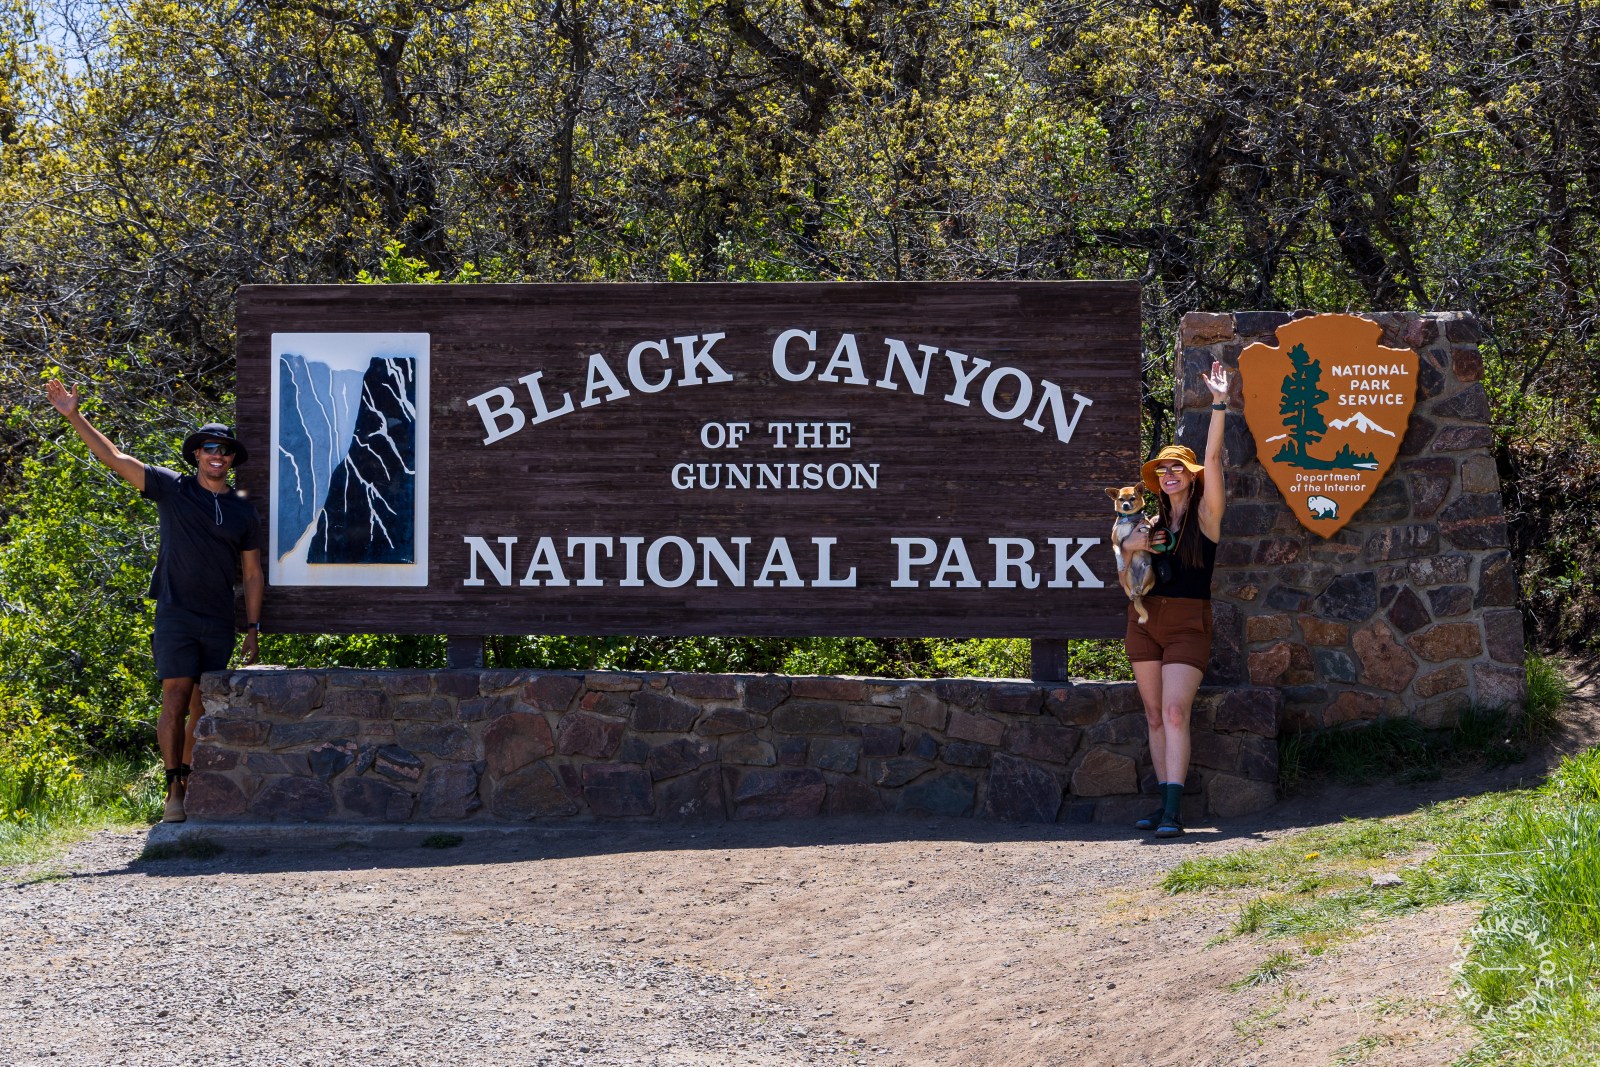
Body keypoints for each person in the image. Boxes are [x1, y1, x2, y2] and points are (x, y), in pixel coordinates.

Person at [47, 380, 263, 823]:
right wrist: (73, 415)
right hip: (175, 612)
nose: (216, 455)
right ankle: (174, 792)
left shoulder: (243, 511)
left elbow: (252, 572)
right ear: (197, 455)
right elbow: (114, 458)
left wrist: (253, 628)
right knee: (175, 699)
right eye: (208, 448)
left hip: (219, 618)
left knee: (201, 706)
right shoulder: (172, 488)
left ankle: (191, 779)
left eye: (223, 449)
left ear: (231, 459)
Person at [1120, 361, 1230, 838]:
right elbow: (1121, 553)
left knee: (1173, 711)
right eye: (1162, 468)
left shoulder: (1206, 516)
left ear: (1190, 475)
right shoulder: (1151, 522)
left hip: (1188, 620)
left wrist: (1219, 404)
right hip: (1144, 619)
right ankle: (1162, 798)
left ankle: (1173, 811)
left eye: (1177, 469)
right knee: (1151, 714)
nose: (1169, 474)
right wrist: (1128, 546)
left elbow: (1215, 457)